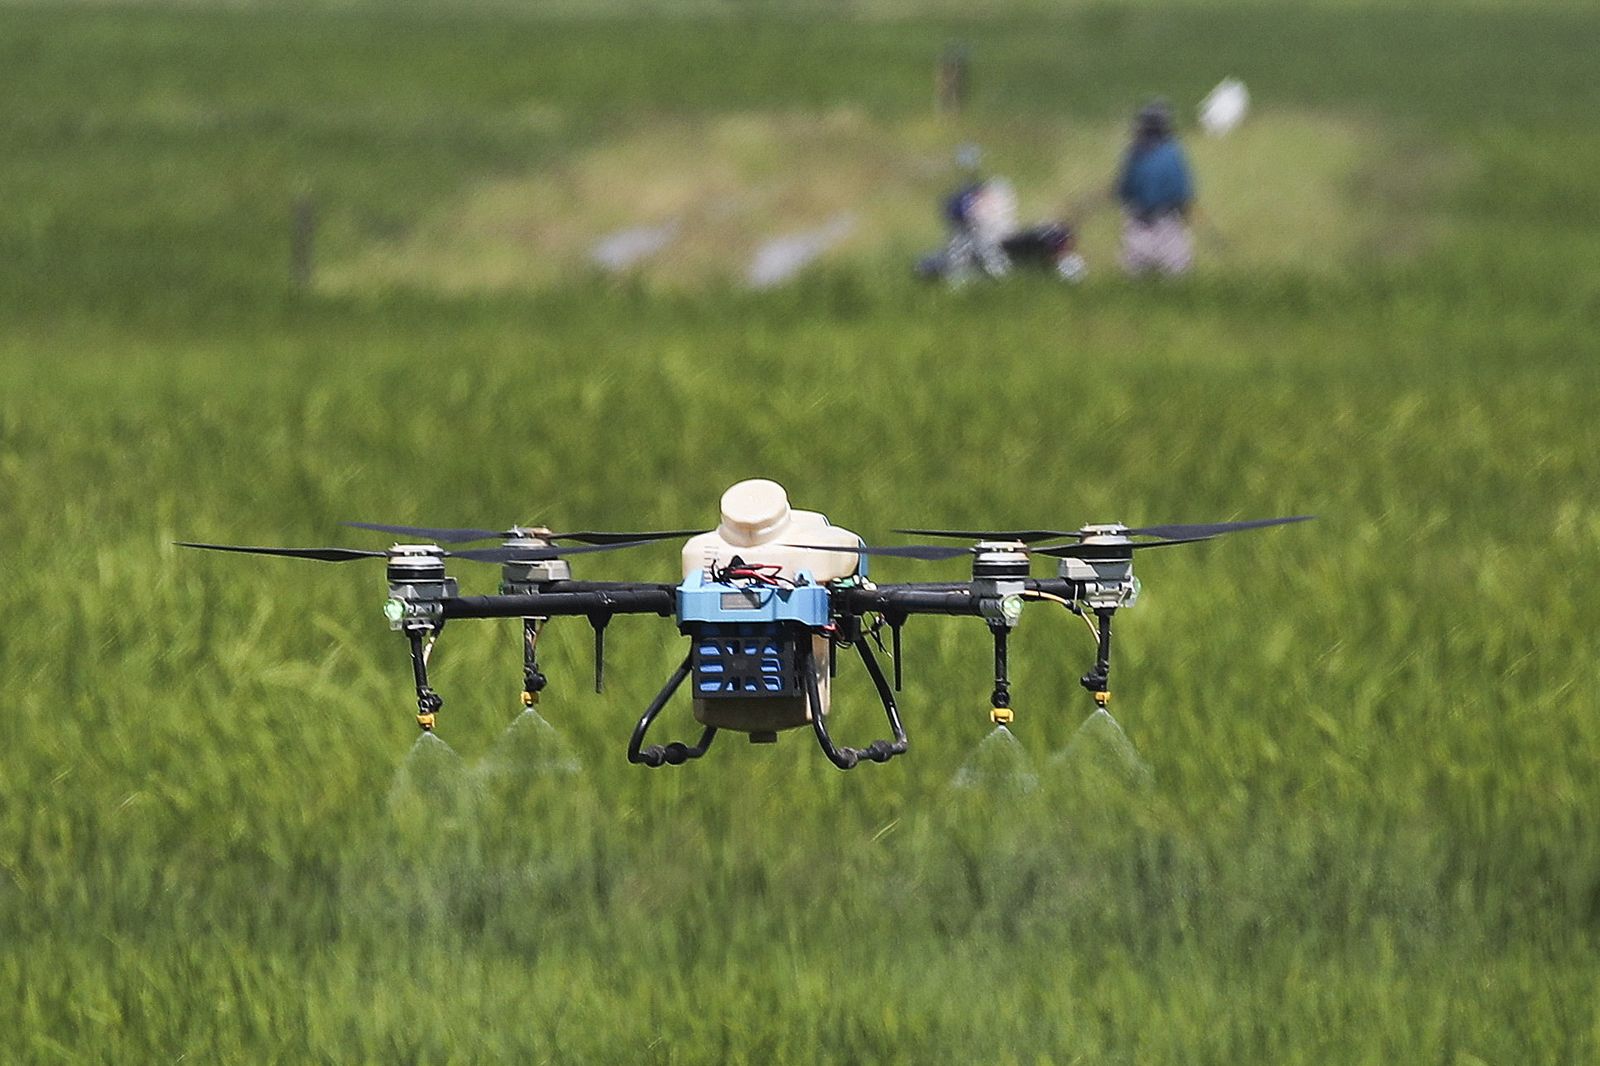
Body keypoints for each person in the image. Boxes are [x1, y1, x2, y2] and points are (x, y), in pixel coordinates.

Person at [1115, 100, 1194, 276]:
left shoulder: (1135, 152)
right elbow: (1182, 189)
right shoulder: (1173, 151)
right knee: (1175, 270)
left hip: (1141, 219)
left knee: (1136, 270)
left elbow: (1124, 188)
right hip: (1167, 218)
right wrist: (1183, 208)